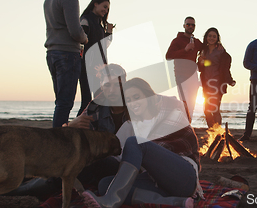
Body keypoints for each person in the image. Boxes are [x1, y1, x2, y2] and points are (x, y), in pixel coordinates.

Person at [0, 64, 129, 198]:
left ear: (124, 85)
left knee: (69, 168)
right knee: (42, 159)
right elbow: (69, 137)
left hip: (119, 164)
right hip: (90, 162)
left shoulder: (136, 106)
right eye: (107, 85)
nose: (112, 90)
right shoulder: (95, 107)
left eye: (117, 85)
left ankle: (9, 192)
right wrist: (71, 125)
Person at [82, 78, 200, 208]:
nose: (133, 103)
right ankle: (176, 202)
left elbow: (176, 147)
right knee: (105, 184)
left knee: (136, 143)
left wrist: (143, 154)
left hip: (183, 178)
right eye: (129, 100)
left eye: (137, 97)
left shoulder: (170, 114)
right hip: (153, 181)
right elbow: (118, 156)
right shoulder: (129, 126)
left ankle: (111, 201)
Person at [44, 0, 88, 127]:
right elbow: (75, 31)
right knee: (65, 102)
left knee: (60, 101)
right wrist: (85, 38)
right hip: (67, 54)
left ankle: (58, 137)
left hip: (52, 52)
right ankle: (60, 141)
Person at [77, 0, 115, 116]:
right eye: (104, 7)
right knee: (88, 101)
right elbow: (80, 40)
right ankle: (78, 126)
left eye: (108, 9)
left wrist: (109, 32)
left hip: (99, 68)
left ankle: (93, 126)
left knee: (100, 99)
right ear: (95, 4)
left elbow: (104, 46)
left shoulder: (98, 24)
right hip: (88, 67)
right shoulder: (86, 20)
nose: (106, 10)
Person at [165, 17, 203, 121]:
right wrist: (185, 49)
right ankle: (184, 126)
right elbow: (168, 56)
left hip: (193, 76)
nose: (190, 26)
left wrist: (218, 46)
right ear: (184, 26)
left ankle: (188, 126)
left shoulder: (196, 42)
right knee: (184, 103)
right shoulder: (177, 41)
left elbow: (207, 48)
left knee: (191, 104)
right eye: (188, 24)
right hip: (181, 76)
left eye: (193, 25)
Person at [197, 27, 236, 128]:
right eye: (210, 36)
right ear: (206, 37)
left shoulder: (221, 51)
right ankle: (212, 131)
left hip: (217, 84)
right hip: (206, 84)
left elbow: (226, 66)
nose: (212, 38)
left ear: (217, 38)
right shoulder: (203, 50)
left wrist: (230, 80)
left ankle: (217, 132)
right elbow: (201, 68)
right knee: (206, 110)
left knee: (215, 109)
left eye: (214, 36)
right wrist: (200, 61)